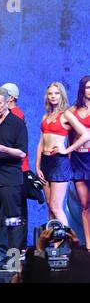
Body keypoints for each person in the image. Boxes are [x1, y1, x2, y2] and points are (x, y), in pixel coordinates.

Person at [0, 86, 28, 264]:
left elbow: (22, 153)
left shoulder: (17, 123)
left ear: (8, 102)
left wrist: (2, 148)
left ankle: (13, 259)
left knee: (12, 219)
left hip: (9, 177)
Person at [36, 82, 89, 226]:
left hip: (59, 162)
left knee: (56, 207)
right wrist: (37, 165)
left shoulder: (66, 114)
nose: (53, 96)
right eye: (50, 93)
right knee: (50, 207)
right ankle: (55, 244)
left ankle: (66, 243)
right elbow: (41, 142)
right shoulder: (45, 117)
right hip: (46, 163)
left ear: (62, 96)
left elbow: (85, 135)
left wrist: (66, 150)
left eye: (56, 93)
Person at [69, 75, 90, 250]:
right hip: (78, 159)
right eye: (88, 87)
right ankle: (89, 245)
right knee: (84, 205)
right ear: (82, 89)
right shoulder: (73, 110)